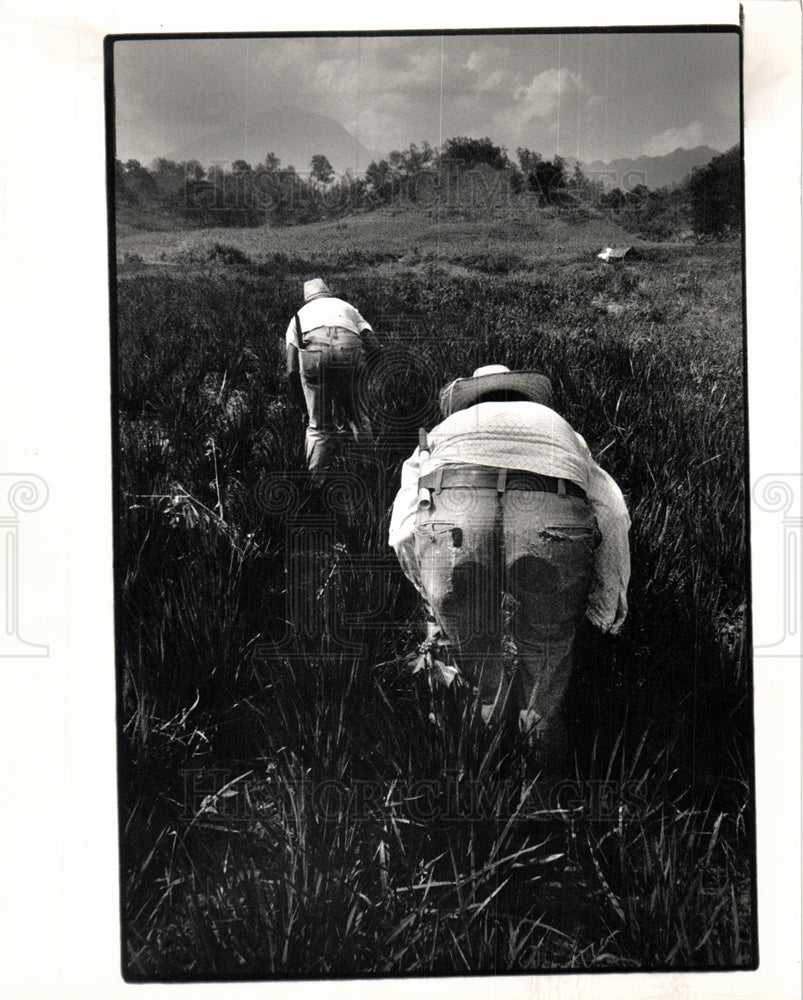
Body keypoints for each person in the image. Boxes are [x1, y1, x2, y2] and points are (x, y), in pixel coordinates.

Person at [388, 364, 631, 771]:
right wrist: (606, 606)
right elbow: (612, 513)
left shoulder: (443, 430)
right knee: (546, 665)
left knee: (475, 666)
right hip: (549, 507)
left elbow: (403, 524)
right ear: (522, 397)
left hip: (456, 510)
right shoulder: (559, 427)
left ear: (473, 398)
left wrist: (435, 594)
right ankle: (541, 794)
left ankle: (481, 780)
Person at [284, 278, 377, 472]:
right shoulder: (347, 308)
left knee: (318, 428)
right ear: (329, 293)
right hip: (349, 350)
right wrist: (366, 378)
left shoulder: (298, 317)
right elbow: (373, 344)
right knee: (360, 420)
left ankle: (316, 485)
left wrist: (304, 405)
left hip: (314, 355)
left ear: (307, 299)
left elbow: (292, 368)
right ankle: (368, 474)